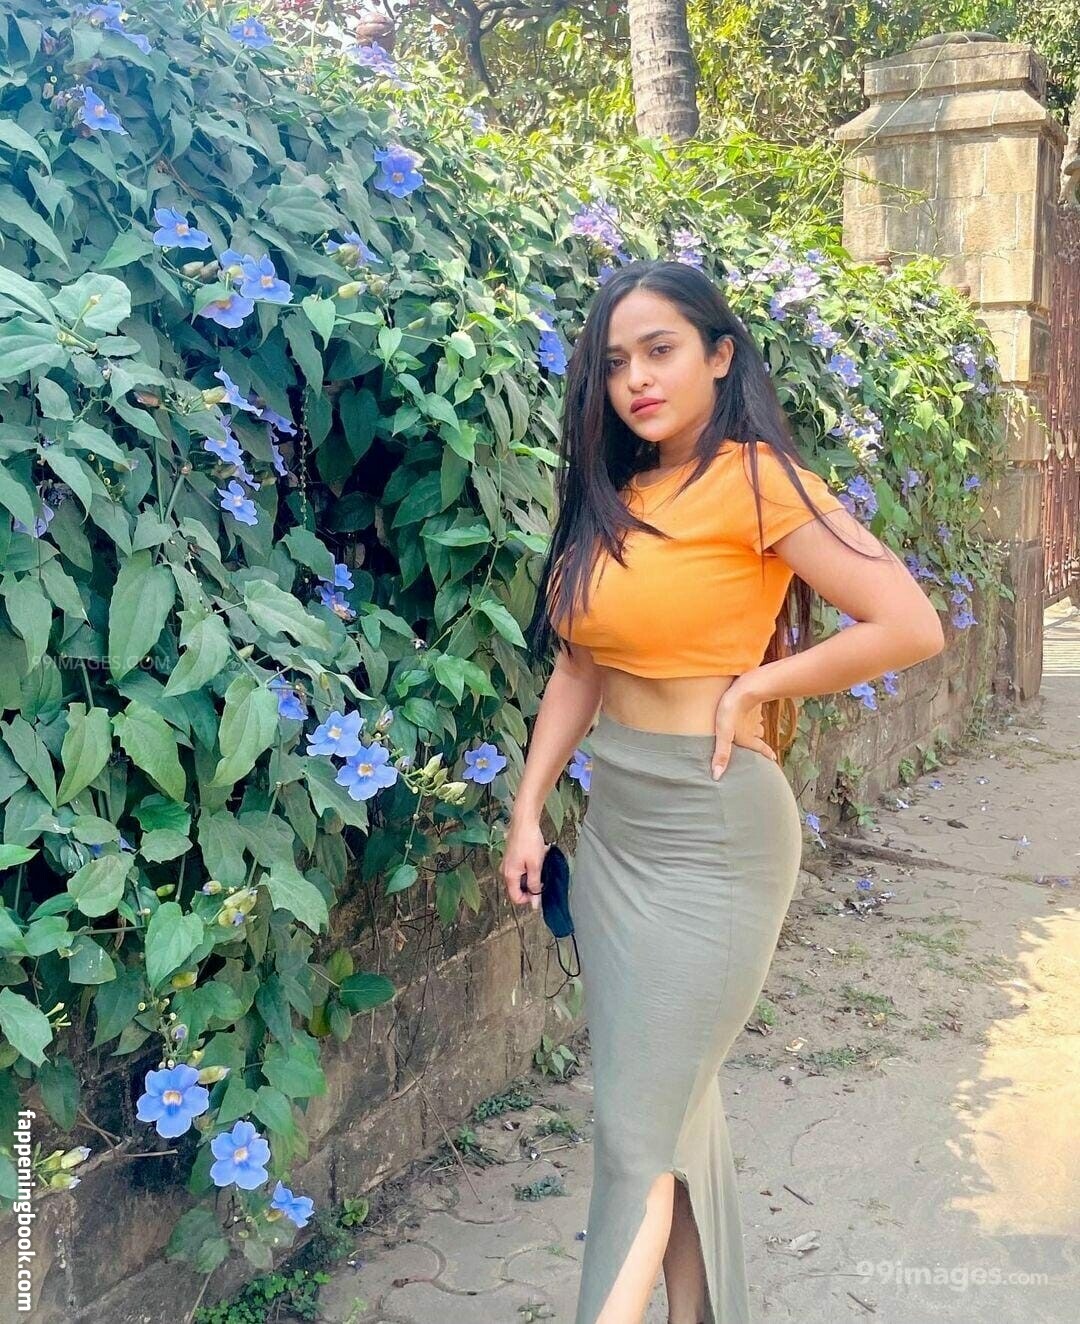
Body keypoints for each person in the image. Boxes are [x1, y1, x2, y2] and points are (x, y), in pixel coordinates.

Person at [502, 258, 944, 1324]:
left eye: (660, 351)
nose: (637, 380)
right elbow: (578, 669)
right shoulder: (613, 499)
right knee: (670, 1117)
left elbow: (909, 623)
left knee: (635, 1135)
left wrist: (759, 685)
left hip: (715, 835)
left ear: (719, 355)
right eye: (616, 363)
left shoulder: (758, 481)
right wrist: (527, 807)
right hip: (617, 836)